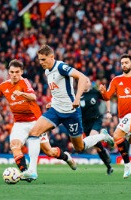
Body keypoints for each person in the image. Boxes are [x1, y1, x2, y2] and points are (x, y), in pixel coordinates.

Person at [0, 59, 76, 182]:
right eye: (12, 72)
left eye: (17, 72)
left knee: (49, 152)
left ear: (21, 72)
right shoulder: (3, 86)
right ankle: (27, 173)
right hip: (19, 123)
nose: (14, 74)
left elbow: (33, 97)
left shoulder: (24, 82)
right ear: (8, 72)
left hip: (36, 122)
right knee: (14, 145)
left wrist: (21, 93)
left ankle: (66, 157)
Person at [25, 45, 114, 179]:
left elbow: (82, 78)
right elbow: (57, 90)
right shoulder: (47, 71)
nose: (41, 62)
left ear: (51, 57)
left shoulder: (61, 67)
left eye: (43, 59)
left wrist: (77, 98)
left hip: (71, 112)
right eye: (39, 60)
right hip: (55, 110)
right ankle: (32, 171)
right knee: (34, 132)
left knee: (79, 147)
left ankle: (102, 136)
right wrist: (53, 101)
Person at [80, 86, 114, 175]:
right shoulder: (78, 94)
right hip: (85, 124)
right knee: (97, 147)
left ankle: (103, 136)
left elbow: (107, 98)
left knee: (92, 137)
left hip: (96, 120)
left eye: (87, 81)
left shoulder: (94, 92)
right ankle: (109, 166)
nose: (86, 83)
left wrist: (108, 111)